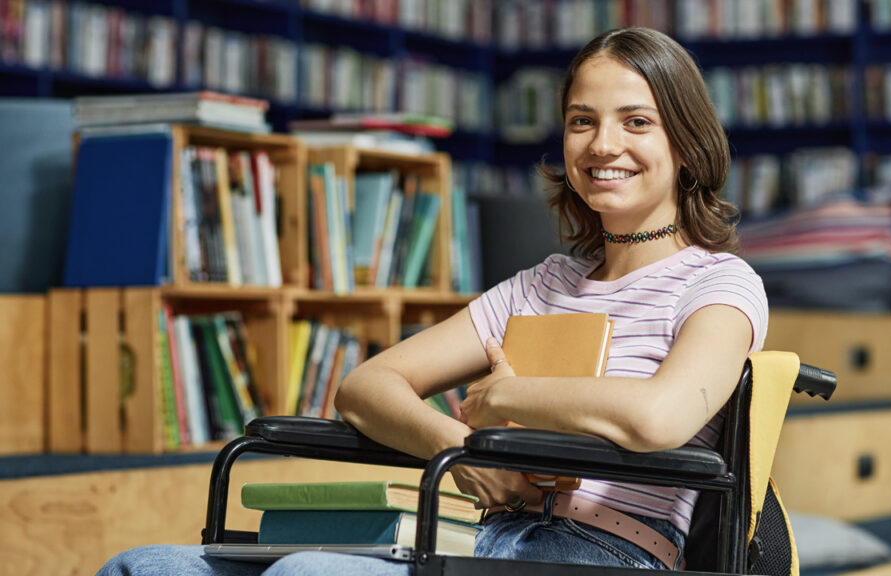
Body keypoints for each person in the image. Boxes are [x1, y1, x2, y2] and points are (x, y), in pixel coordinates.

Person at [97, 26, 767, 575]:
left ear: (686, 144)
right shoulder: (541, 285)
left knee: (309, 575)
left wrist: (507, 399)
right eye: (582, 121)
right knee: (143, 567)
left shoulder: (719, 284)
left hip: (609, 553)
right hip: (479, 541)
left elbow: (658, 418)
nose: (603, 145)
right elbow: (366, 386)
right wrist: (463, 450)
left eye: (637, 121)